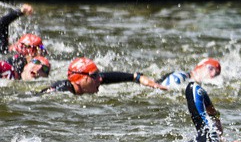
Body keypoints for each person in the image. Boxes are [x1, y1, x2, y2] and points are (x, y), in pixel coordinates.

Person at [39, 57, 168, 95]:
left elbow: (113, 77)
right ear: (81, 78)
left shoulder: (89, 82)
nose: (100, 79)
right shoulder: (60, 90)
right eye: (95, 76)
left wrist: (138, 78)